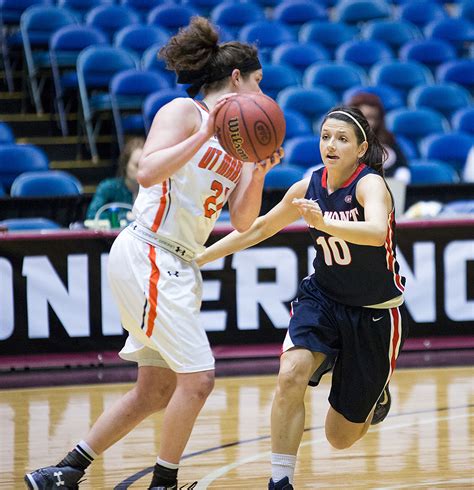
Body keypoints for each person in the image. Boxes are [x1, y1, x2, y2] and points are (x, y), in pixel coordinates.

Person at [24, 16, 283, 490]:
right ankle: (163, 483)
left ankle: (62, 471)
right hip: (150, 250)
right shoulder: (184, 114)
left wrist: (260, 170)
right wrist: (205, 134)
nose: (264, 94)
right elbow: (146, 173)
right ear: (235, 80)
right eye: (258, 82)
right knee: (199, 379)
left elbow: (243, 221)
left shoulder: (241, 143)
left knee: (156, 389)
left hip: (177, 261)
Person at [196, 105, 408, 489]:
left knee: (339, 438)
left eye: (342, 139)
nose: (331, 144)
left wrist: (324, 222)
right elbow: (257, 229)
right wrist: (201, 257)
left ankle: (375, 399)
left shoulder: (369, 184)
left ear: (361, 149)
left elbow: (377, 232)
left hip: (374, 314)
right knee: (290, 373)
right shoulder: (306, 186)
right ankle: (280, 480)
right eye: (326, 136)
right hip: (323, 300)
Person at [346, 92, 410, 184]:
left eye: (374, 118)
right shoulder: (343, 141)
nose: (370, 123)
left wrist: (401, 179)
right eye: (365, 117)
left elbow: (402, 165)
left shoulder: (388, 139)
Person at [85, 136, 144, 221]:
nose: (141, 170)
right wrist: (124, 216)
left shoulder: (155, 191)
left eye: (145, 166)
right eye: (136, 165)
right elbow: (92, 215)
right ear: (125, 165)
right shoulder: (108, 187)